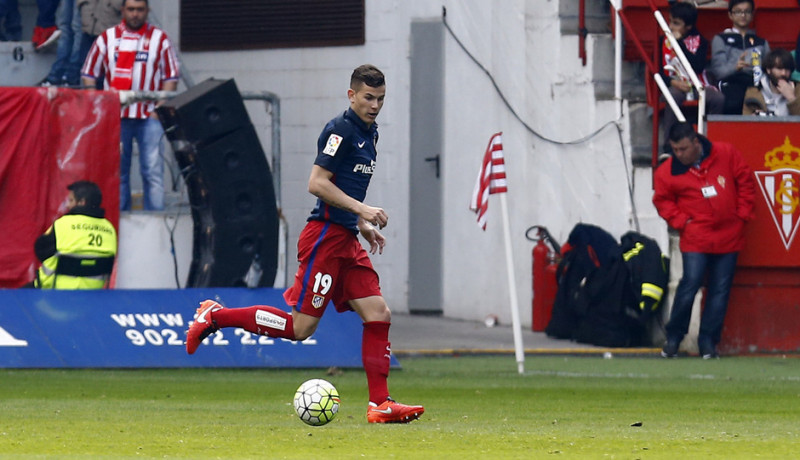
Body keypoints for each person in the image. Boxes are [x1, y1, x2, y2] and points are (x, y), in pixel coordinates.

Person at [185, 64, 425, 424]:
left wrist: (361, 224)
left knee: (378, 313)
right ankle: (215, 316)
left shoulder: (370, 134)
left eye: (380, 99)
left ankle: (380, 404)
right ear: (352, 95)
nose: (375, 105)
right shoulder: (339, 130)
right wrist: (363, 210)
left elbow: (344, 188)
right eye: (368, 98)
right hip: (325, 239)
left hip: (346, 238)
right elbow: (317, 183)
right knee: (301, 328)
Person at [653, 122, 755, 359]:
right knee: (689, 285)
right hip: (697, 236)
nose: (679, 154)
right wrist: (682, 222)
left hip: (729, 234)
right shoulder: (667, 171)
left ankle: (708, 342)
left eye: (683, 149)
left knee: (719, 290)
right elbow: (662, 201)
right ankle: (674, 338)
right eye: (675, 150)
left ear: (696, 142)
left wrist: (742, 215)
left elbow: (745, 181)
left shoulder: (726, 153)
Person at [81, 0, 178, 211]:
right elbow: (89, 73)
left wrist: (159, 108)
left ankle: (156, 226)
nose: (135, 14)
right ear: (123, 10)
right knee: (118, 173)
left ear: (147, 11)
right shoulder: (107, 38)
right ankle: (120, 221)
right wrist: (99, 104)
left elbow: (171, 76)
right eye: (131, 9)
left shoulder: (160, 39)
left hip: (149, 117)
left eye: (140, 10)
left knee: (152, 172)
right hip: (116, 116)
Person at [659, 1, 724, 147]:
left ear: (688, 26)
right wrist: (672, 82)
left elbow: (698, 66)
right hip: (674, 85)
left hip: (697, 84)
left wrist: (679, 43)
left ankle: (711, 142)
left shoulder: (701, 42)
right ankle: (668, 147)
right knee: (673, 96)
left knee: (718, 99)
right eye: (670, 21)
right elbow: (656, 71)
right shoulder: (661, 41)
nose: (670, 26)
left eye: (676, 23)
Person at [32, 180, 117, 289]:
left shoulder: (62, 225)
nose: (67, 205)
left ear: (82, 202)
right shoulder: (110, 229)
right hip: (93, 295)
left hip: (54, 293)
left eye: (70, 200)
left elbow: (40, 250)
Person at [709, 0, 770, 114]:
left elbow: (768, 69)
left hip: (756, 84)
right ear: (730, 15)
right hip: (731, 83)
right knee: (734, 100)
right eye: (738, 12)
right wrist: (735, 67)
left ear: (752, 15)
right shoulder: (721, 39)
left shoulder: (761, 42)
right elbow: (718, 72)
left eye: (747, 11)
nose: (743, 15)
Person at [75, 0, 122, 88]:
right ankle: (87, 100)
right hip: (89, 29)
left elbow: (124, 6)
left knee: (105, 74)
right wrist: (84, 5)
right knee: (85, 71)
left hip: (109, 31)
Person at [742, 48, 800, 116]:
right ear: (768, 69)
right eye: (779, 68)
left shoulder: (798, 90)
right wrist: (754, 118)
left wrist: (791, 98)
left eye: (787, 69)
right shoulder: (753, 91)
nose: (783, 73)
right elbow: (745, 119)